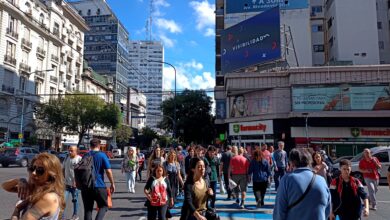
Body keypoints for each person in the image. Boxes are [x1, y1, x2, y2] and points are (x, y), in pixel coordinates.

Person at [2, 153, 65, 220]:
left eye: (40, 170)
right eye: (32, 168)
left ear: (51, 175)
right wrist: (19, 180)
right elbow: (5, 186)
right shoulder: (35, 188)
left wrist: (17, 210)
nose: (33, 173)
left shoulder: (49, 197)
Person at [273, 148, 331, 220]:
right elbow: (327, 209)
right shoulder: (321, 180)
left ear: (292, 163)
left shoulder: (287, 180)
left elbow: (279, 210)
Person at [81, 138, 115, 220]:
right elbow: (108, 171)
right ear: (99, 145)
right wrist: (112, 183)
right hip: (99, 185)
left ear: (90, 145)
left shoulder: (86, 155)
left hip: (86, 187)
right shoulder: (102, 155)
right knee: (104, 206)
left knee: (88, 210)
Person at [63, 145, 82, 220]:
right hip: (66, 185)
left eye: (71, 151)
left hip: (75, 186)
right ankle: (62, 217)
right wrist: (62, 179)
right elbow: (63, 168)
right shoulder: (67, 158)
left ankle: (75, 215)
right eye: (69, 150)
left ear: (76, 151)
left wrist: (76, 182)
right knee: (63, 201)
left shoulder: (79, 159)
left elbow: (81, 173)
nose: (69, 152)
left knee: (75, 201)